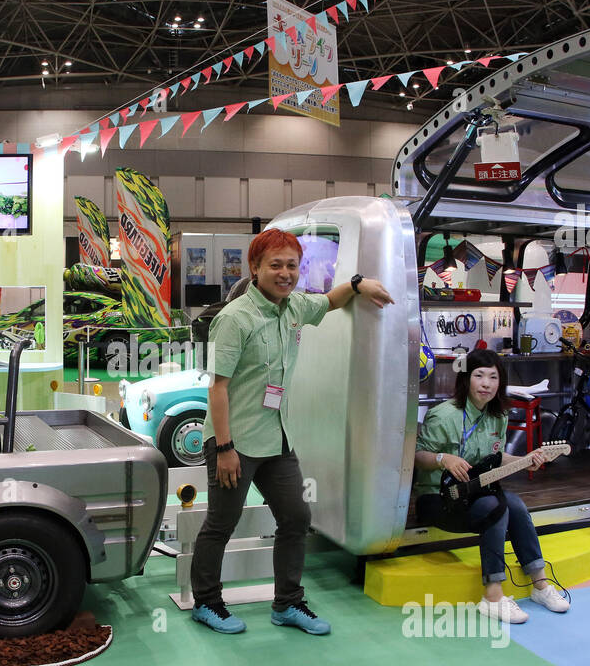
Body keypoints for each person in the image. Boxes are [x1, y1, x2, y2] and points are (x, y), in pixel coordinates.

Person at [191, 228, 393, 635]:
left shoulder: (294, 306)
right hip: (235, 441)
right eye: (275, 265)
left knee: (296, 516)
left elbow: (331, 301)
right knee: (221, 523)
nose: (285, 273)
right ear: (254, 268)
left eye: (292, 265)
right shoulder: (234, 319)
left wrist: (357, 284)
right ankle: (207, 603)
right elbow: (217, 388)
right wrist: (225, 448)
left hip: (275, 436)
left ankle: (287, 604)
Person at [412, 348, 570, 623]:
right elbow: (416, 457)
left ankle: (540, 584)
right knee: (495, 505)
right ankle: (493, 595)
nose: (486, 383)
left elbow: (494, 460)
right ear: (466, 379)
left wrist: (524, 460)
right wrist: (442, 459)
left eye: (493, 377)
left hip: (473, 495)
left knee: (516, 505)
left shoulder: (498, 416)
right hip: (436, 499)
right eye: (479, 375)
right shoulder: (443, 415)